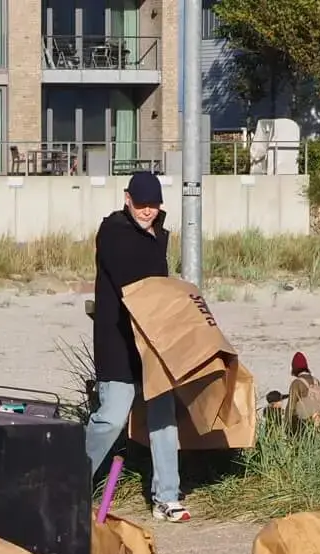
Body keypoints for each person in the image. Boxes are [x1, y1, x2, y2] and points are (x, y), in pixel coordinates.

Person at [83, 172, 187, 522]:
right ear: (127, 199)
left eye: (153, 205)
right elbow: (133, 281)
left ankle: (167, 496)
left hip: (154, 342)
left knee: (163, 418)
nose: (147, 211)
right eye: (141, 204)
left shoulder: (158, 234)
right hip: (119, 342)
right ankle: (70, 482)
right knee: (111, 418)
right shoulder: (112, 232)